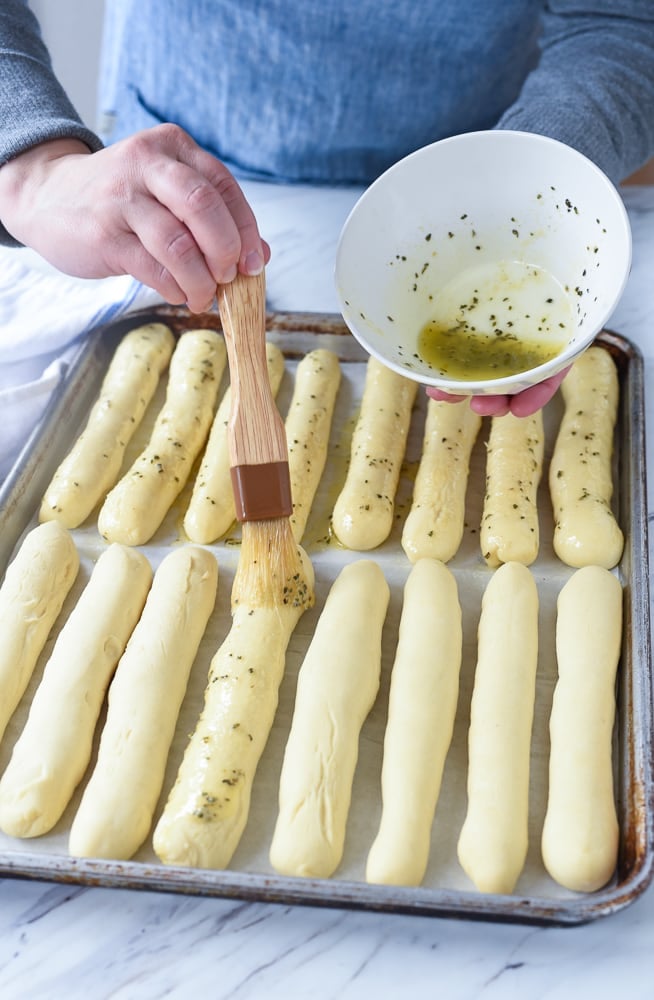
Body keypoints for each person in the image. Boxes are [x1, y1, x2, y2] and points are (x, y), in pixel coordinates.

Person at [1, 0, 653, 417]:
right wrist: (33, 166)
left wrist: (538, 179)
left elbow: (621, 21)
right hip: (187, 185)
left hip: (491, 187)